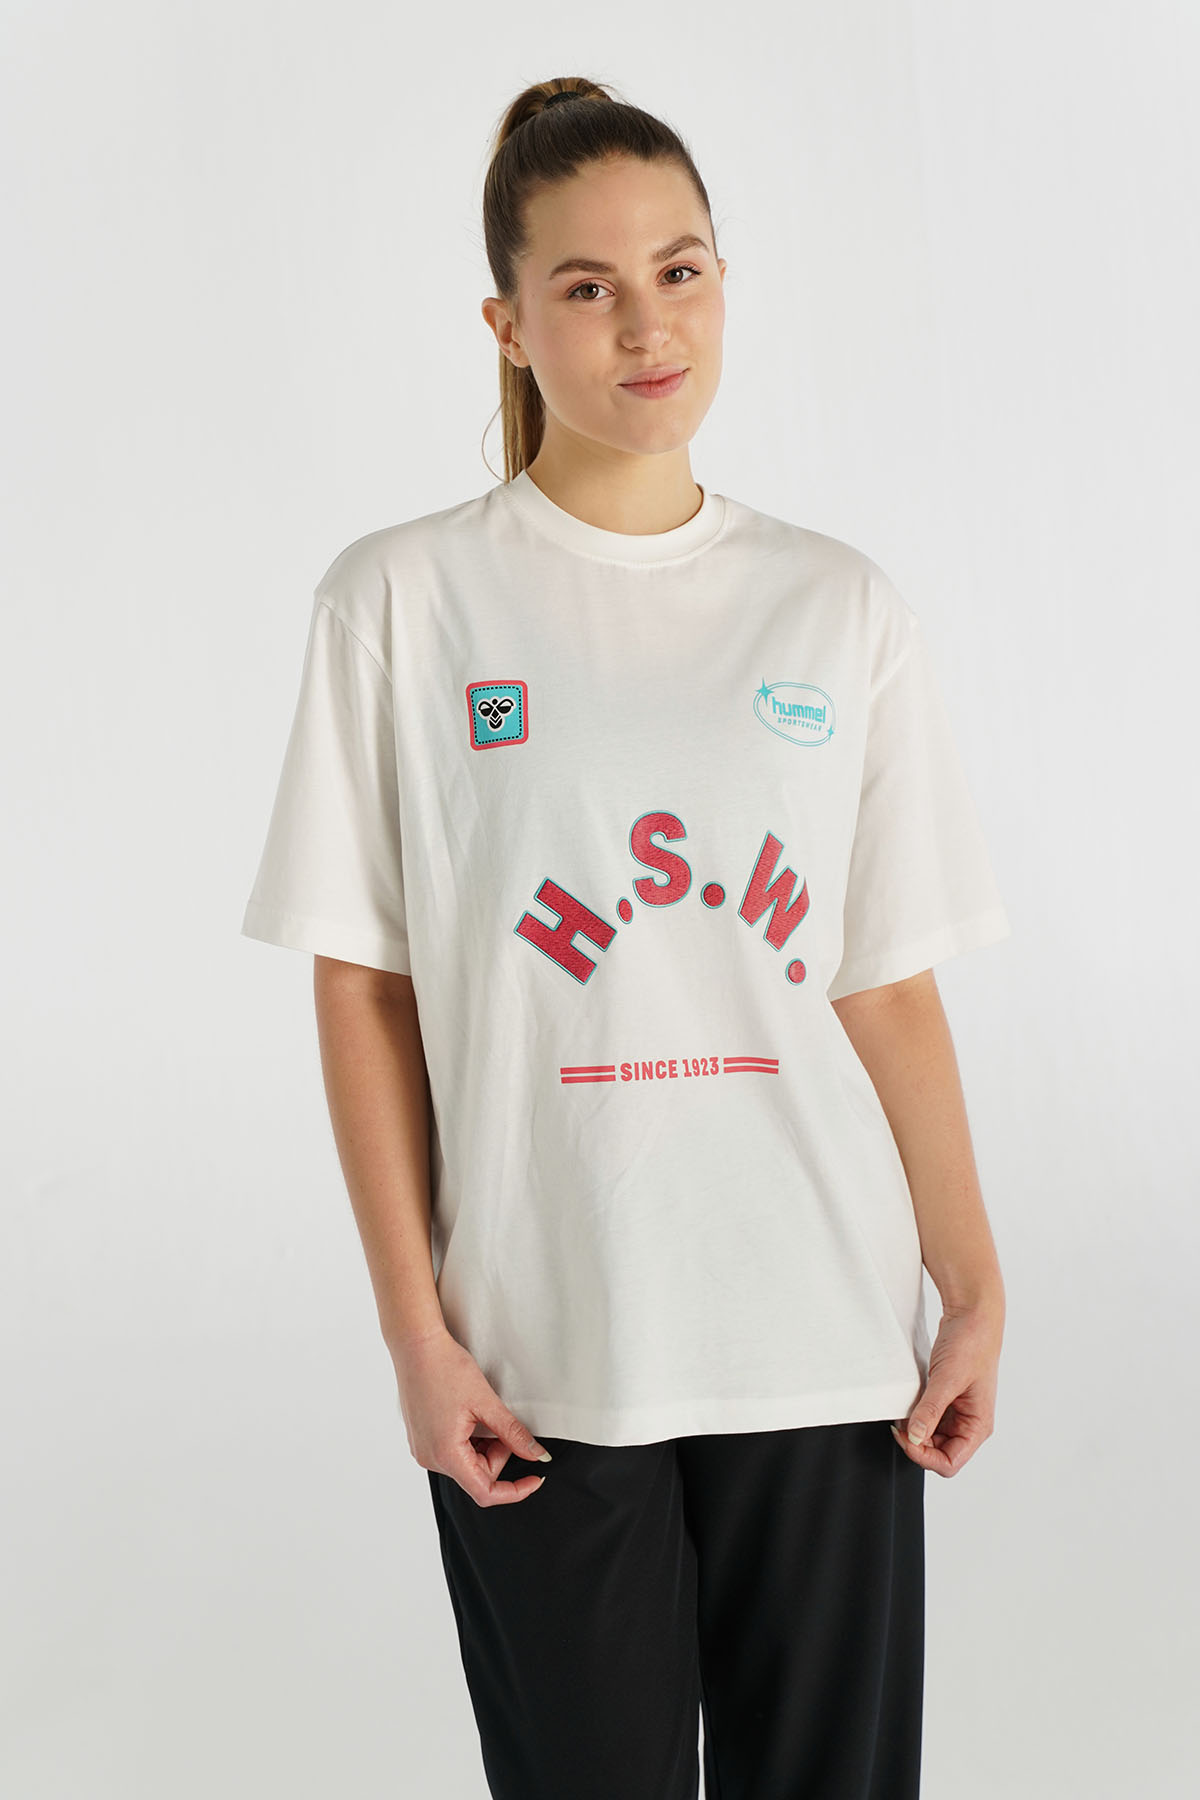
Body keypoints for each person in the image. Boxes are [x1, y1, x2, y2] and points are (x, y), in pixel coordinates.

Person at [240, 74, 1011, 1800]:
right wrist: (416, 1334)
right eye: (587, 287)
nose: (647, 325)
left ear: (725, 282)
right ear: (510, 326)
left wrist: (971, 1283)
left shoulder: (837, 605)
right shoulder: (404, 601)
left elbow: (885, 984)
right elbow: (365, 989)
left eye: (681, 271)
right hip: (542, 1349)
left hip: (820, 1333)